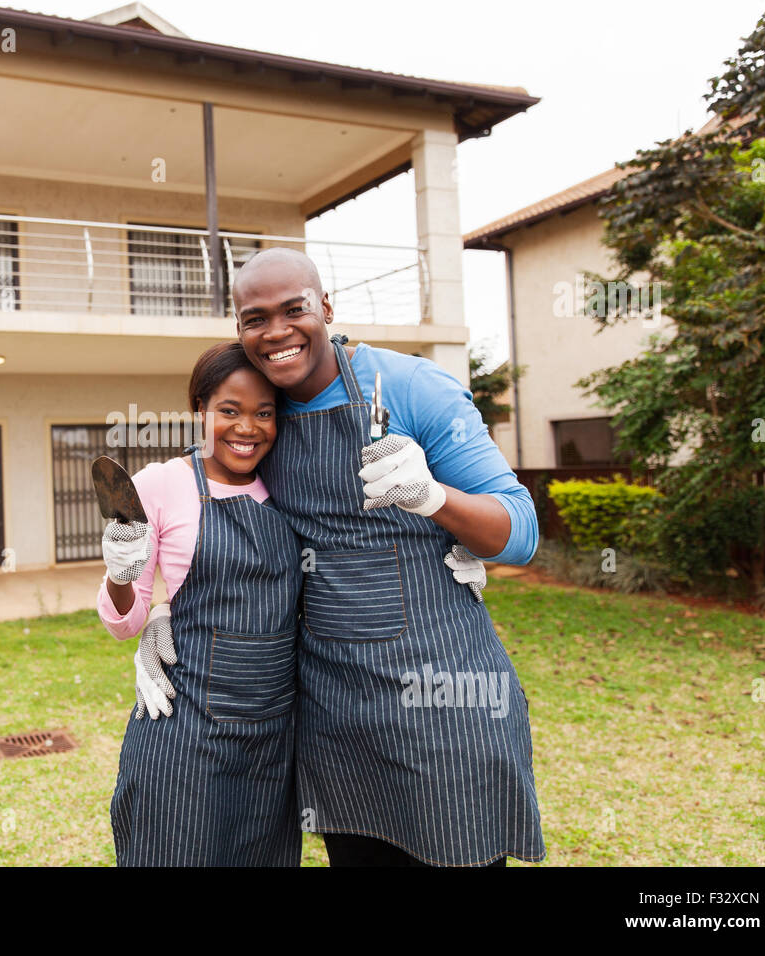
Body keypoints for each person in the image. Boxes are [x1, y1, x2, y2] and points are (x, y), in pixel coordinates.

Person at [232, 246, 544, 868]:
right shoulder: (258, 414)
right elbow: (209, 513)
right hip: (335, 712)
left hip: (444, 702)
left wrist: (436, 499)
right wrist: (158, 610)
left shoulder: (410, 387)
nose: (276, 332)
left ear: (325, 307)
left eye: (293, 309)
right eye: (254, 318)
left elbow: (520, 533)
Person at [97, 342, 303, 866]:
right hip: (184, 729)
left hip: (271, 738)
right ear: (199, 412)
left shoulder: (290, 485)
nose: (247, 428)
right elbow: (125, 620)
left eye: (264, 413)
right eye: (228, 411)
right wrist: (122, 575)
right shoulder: (161, 483)